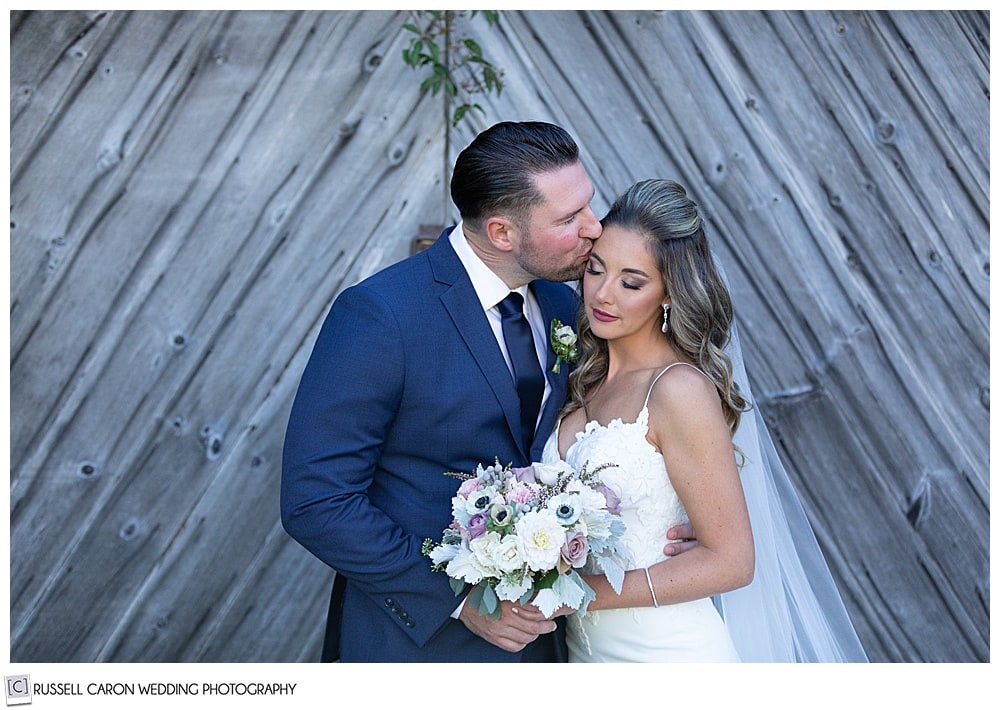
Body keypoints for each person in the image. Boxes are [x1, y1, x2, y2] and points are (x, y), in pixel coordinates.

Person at [280, 122, 697, 662]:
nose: (596, 228)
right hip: (419, 651)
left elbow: (650, 406)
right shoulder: (382, 316)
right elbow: (317, 500)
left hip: (551, 649)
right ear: (502, 233)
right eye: (570, 218)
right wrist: (456, 600)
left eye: (588, 204)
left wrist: (671, 515)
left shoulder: (571, 305)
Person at [542, 178, 868, 662]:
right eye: (595, 270)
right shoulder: (583, 379)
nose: (603, 295)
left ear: (669, 294)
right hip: (587, 657)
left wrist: (579, 595)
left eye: (631, 282)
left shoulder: (677, 389)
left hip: (668, 658)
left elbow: (732, 562)